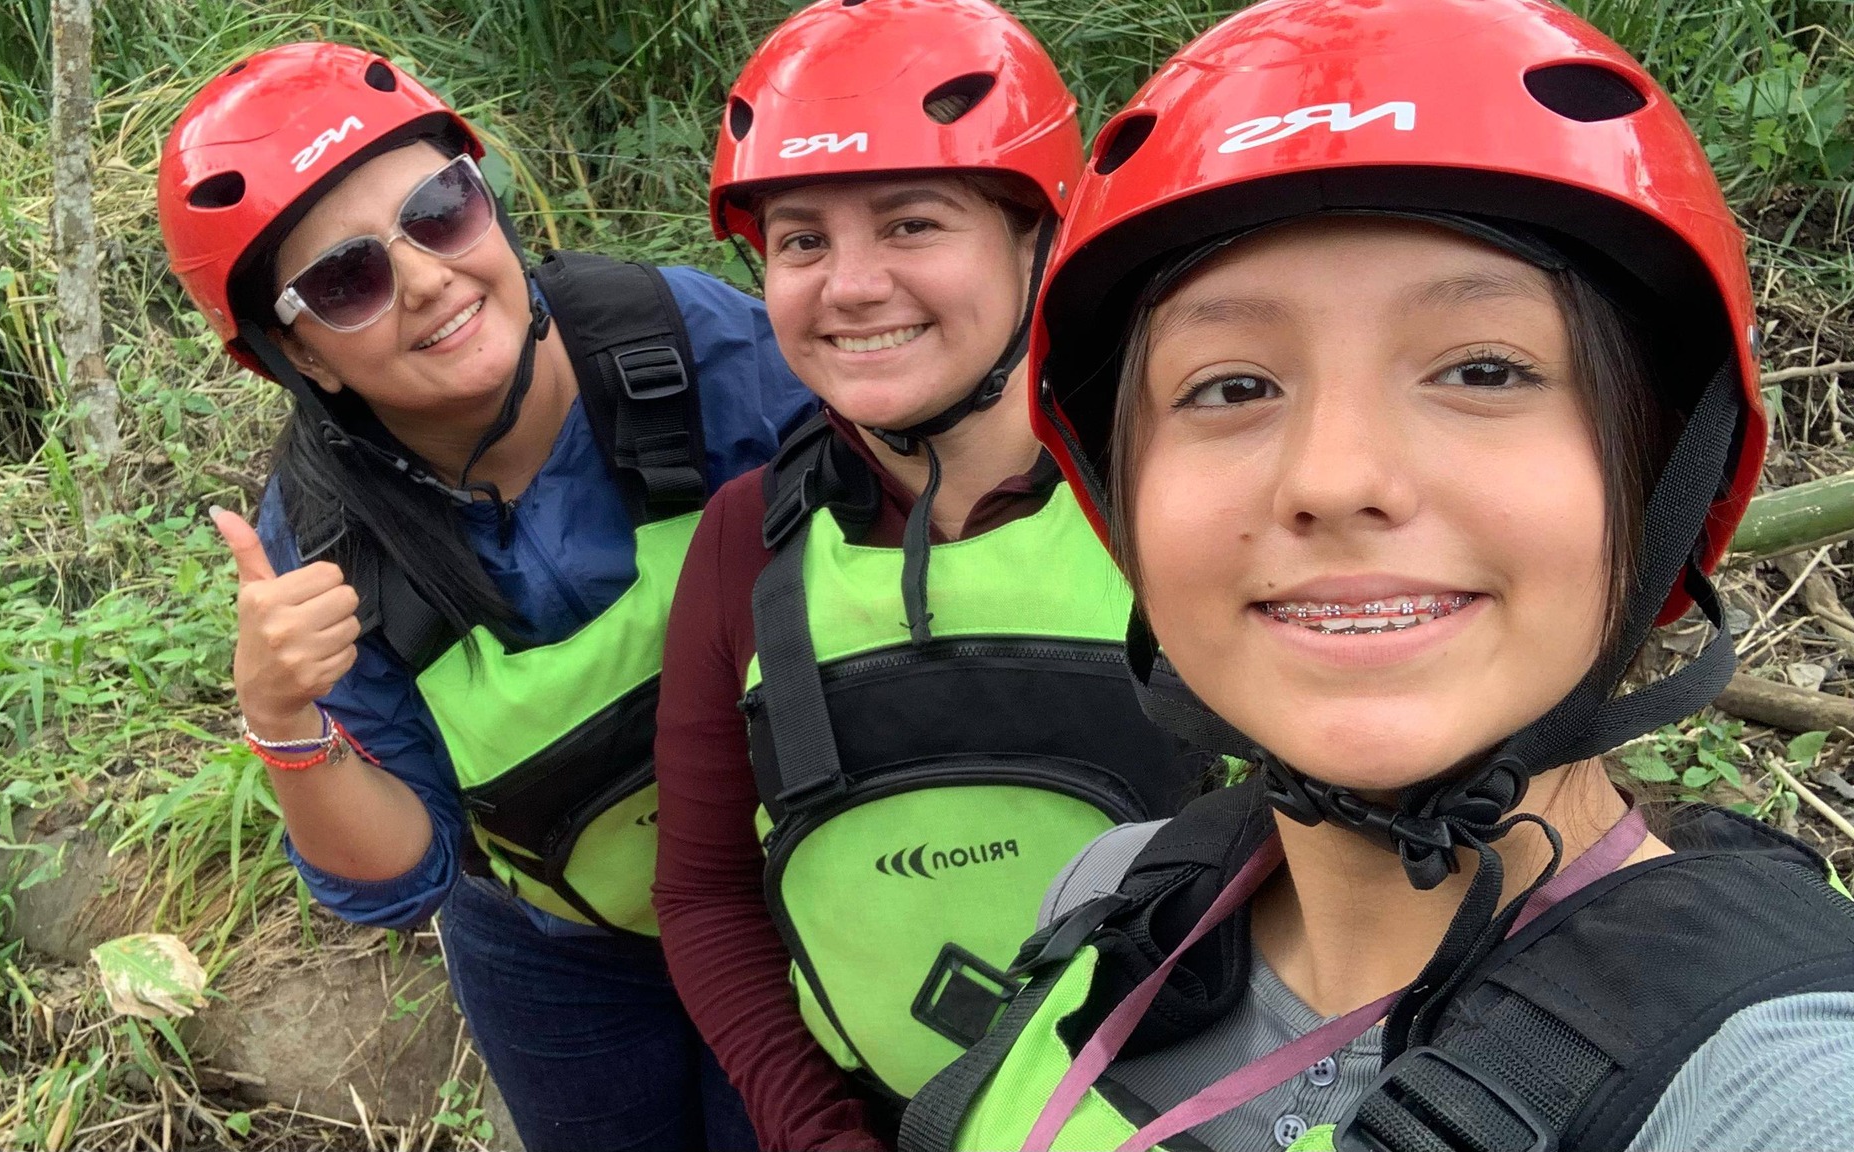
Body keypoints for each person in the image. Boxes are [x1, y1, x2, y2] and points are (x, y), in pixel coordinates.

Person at [900, 1, 1854, 1150]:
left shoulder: (1780, 1092)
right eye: (1229, 387)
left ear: (1657, 484)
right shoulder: (1113, 897)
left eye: (1483, 370)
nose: (1335, 478)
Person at [156, 43, 815, 1152]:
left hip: (789, 874)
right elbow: (400, 874)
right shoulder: (326, 546)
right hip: (555, 948)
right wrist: (282, 718)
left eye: (440, 211)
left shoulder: (681, 347)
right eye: (347, 281)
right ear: (303, 358)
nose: (425, 278)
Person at [652, 2, 1213, 1148]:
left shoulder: (1184, 495)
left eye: (911, 223)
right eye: (800, 242)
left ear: (1038, 240)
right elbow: (704, 893)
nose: (849, 285)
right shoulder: (746, 540)